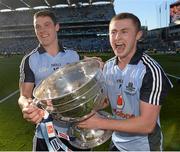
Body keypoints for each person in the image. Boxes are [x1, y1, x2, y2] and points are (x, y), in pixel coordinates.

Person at [78, 12, 173, 151]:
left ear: (138, 35)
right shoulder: (108, 67)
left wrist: (100, 122)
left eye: (124, 32)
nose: (117, 38)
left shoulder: (150, 71)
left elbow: (147, 124)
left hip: (143, 146)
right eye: (113, 32)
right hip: (117, 142)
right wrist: (86, 108)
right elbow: (105, 101)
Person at [18, 10, 86, 151]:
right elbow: (24, 96)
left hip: (76, 131)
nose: (42, 30)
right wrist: (26, 105)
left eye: (47, 25)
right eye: (38, 26)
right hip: (46, 132)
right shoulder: (30, 60)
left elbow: (82, 89)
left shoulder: (73, 56)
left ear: (57, 27)